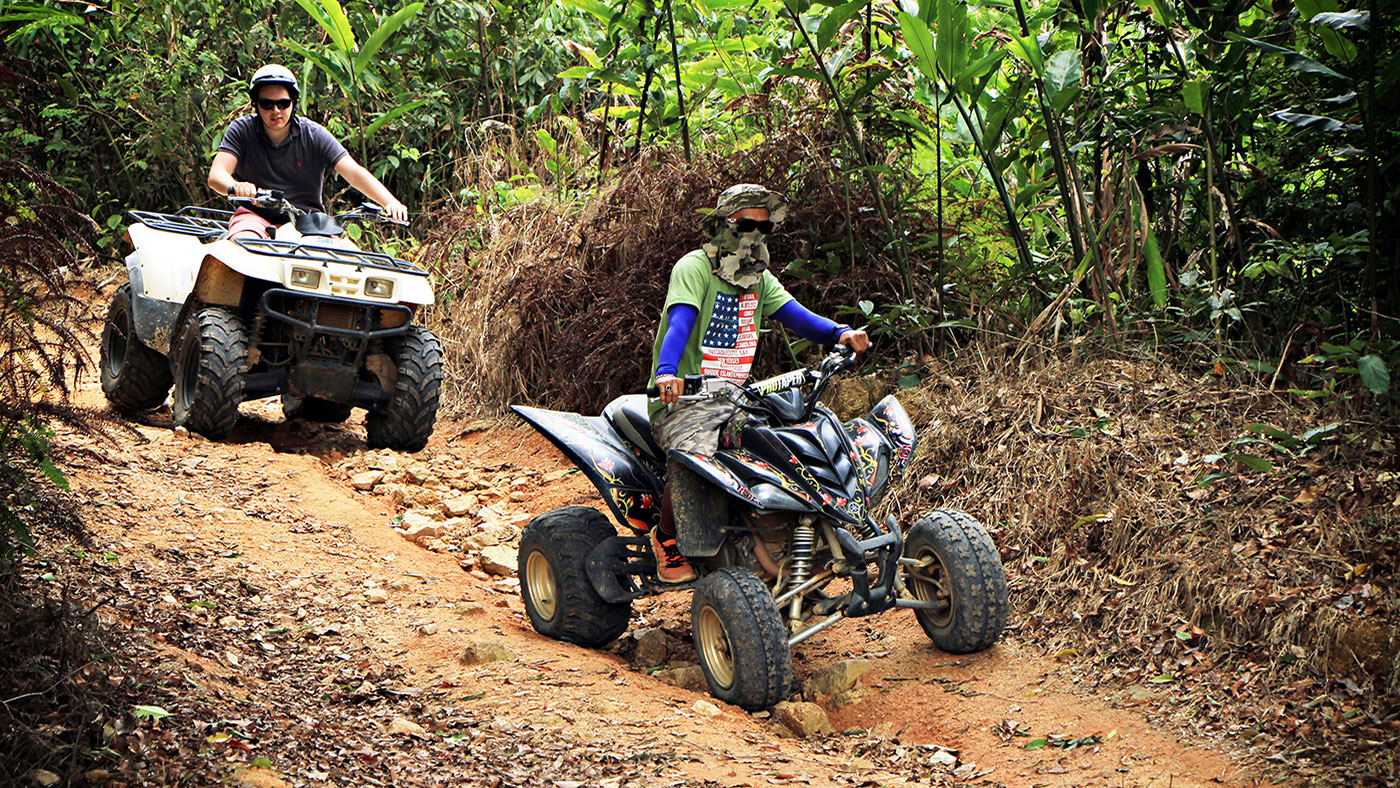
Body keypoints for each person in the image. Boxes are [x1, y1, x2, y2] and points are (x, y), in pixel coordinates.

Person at [648, 184, 870, 582]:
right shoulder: (694, 268)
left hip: (737, 397)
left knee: (788, 444)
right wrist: (667, 372)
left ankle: (784, 541)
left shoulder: (758, 279)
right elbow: (679, 322)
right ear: (725, 224)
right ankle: (665, 537)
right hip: (686, 400)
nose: (756, 235)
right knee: (693, 454)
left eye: (764, 229)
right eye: (749, 224)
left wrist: (840, 333)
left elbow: (796, 316)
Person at [206, 64, 408, 240]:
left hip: (309, 224)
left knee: (351, 260)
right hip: (254, 216)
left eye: (283, 103)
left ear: (293, 103)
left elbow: (354, 173)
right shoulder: (242, 130)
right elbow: (217, 175)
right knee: (243, 246)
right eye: (267, 104)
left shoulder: (313, 134)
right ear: (256, 106)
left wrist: (391, 203)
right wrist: (235, 186)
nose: (275, 110)